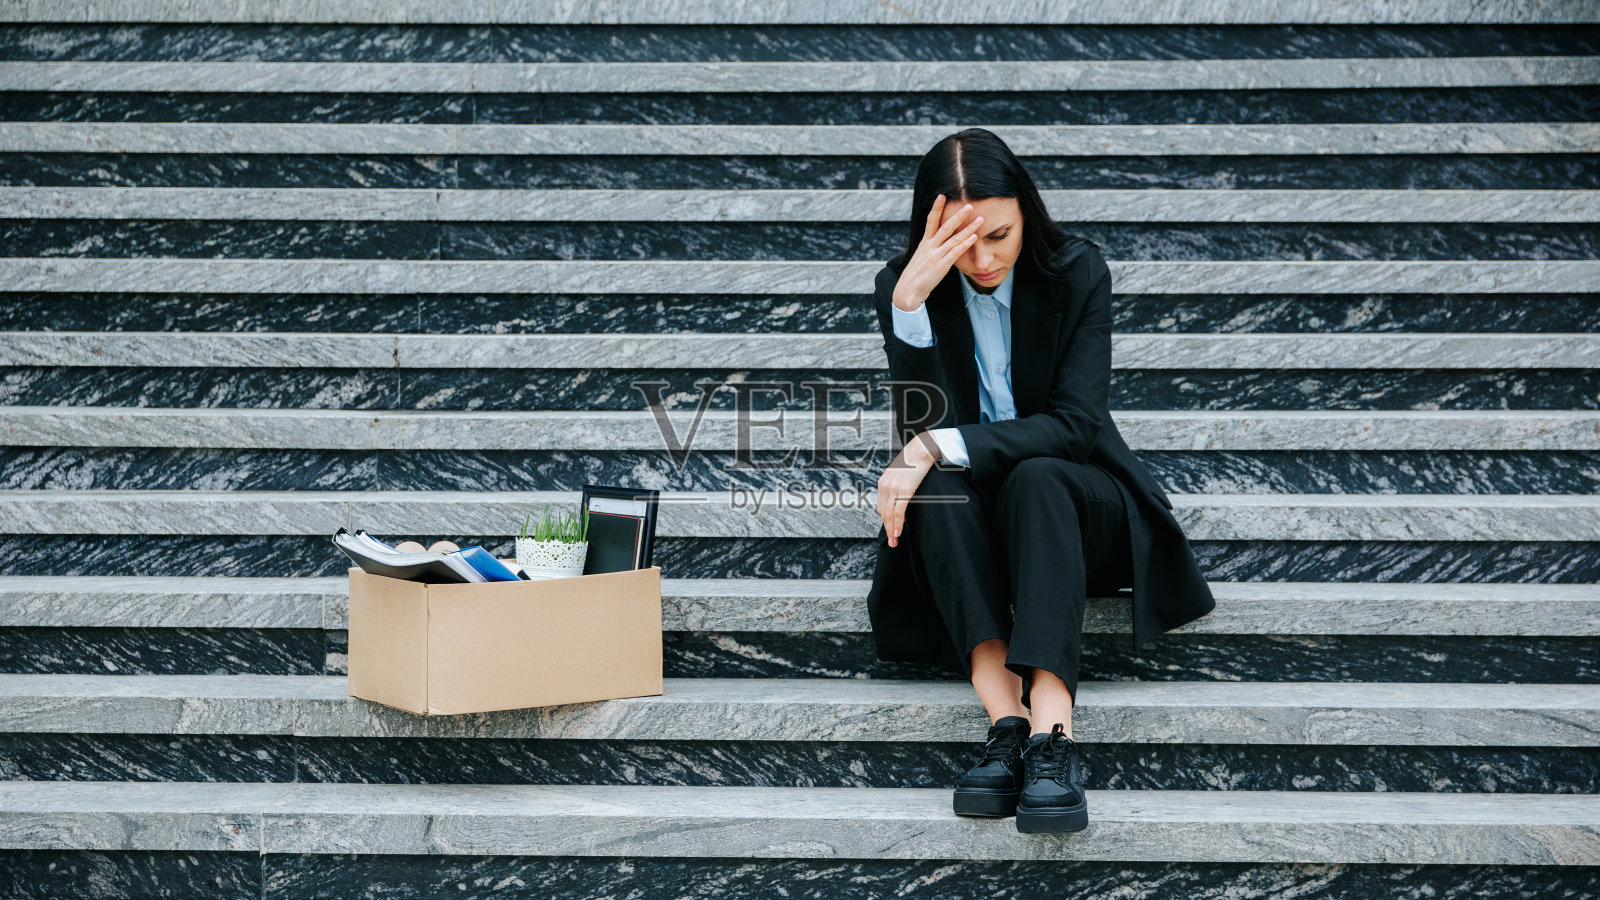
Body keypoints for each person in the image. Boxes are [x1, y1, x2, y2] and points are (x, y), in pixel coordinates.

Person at [867, 128, 1216, 834]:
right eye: (962, 243)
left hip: (1078, 508)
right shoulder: (908, 290)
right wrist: (909, 311)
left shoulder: (1077, 271)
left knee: (1036, 476)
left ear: (1025, 211)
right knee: (938, 485)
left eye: (998, 234)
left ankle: (1052, 738)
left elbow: (1075, 425)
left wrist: (934, 442)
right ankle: (1005, 723)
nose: (983, 258)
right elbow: (920, 428)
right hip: (978, 523)